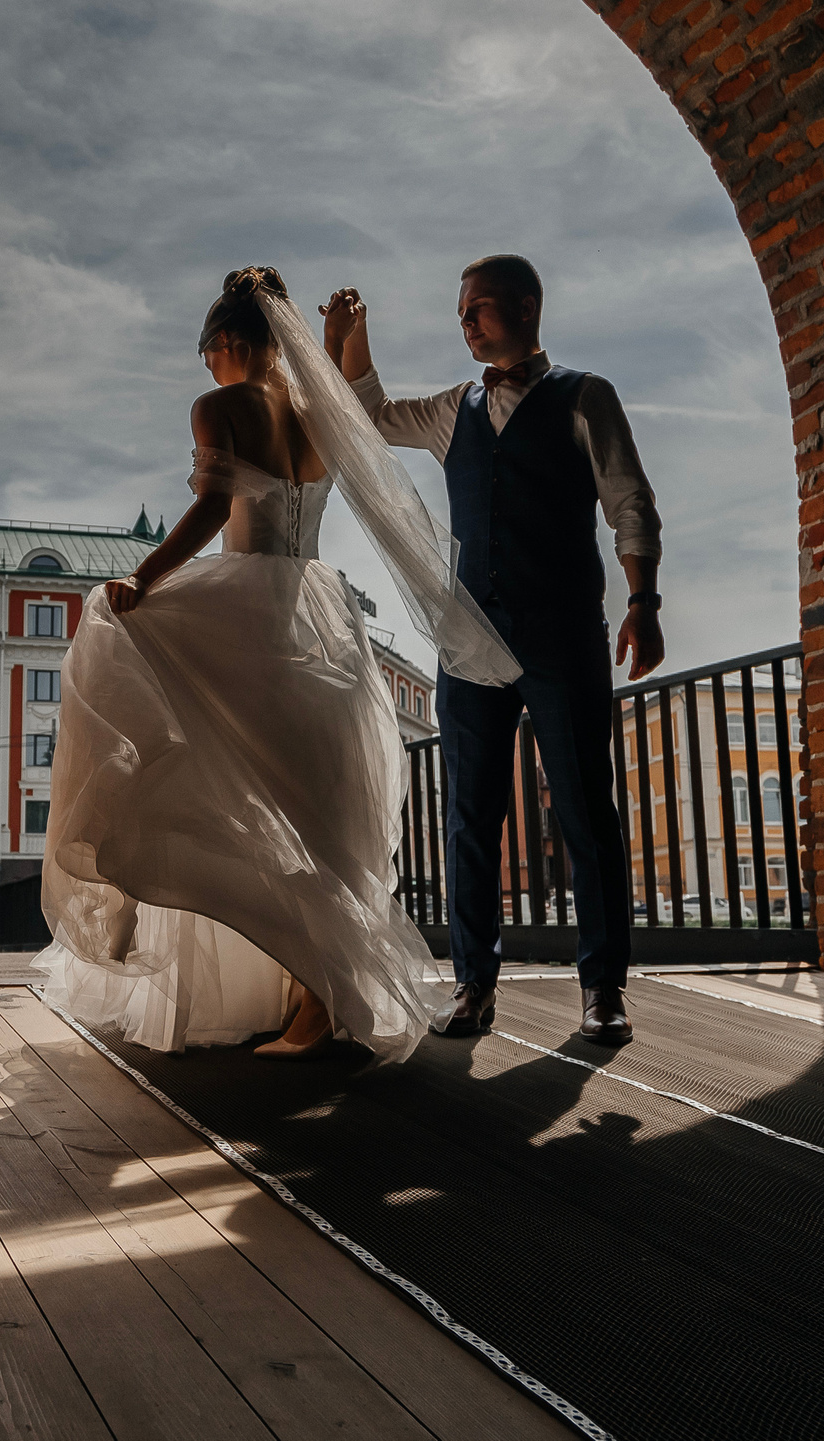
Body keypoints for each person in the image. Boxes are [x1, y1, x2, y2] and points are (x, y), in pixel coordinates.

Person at [40, 267, 521, 1062]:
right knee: (319, 819)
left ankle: (134, 913)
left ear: (228, 344)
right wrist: (334, 346)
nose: (209, 371)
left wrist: (143, 577)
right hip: (323, 618)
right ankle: (314, 1000)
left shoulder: (221, 407)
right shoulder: (317, 415)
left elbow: (208, 509)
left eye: (209, 357)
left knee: (169, 729)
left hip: (248, 613)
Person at [322, 255, 664, 1045]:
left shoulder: (586, 395)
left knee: (585, 811)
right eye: (460, 311)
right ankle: (474, 984)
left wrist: (643, 602)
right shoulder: (453, 408)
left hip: (563, 633)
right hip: (468, 639)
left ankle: (603, 987)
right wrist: (352, 340)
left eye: (478, 307)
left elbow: (629, 502)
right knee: (470, 816)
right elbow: (369, 417)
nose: (465, 321)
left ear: (527, 306)